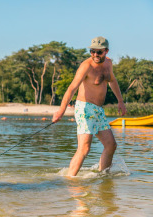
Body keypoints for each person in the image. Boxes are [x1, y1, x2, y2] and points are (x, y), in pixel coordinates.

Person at [52, 36, 127, 176]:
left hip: (98, 111)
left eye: (99, 52)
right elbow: (72, 88)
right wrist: (60, 111)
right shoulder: (86, 66)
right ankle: (70, 180)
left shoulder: (108, 64)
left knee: (111, 145)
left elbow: (112, 81)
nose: (95, 55)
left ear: (106, 51)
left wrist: (120, 101)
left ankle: (103, 177)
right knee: (84, 148)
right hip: (84, 109)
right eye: (92, 51)